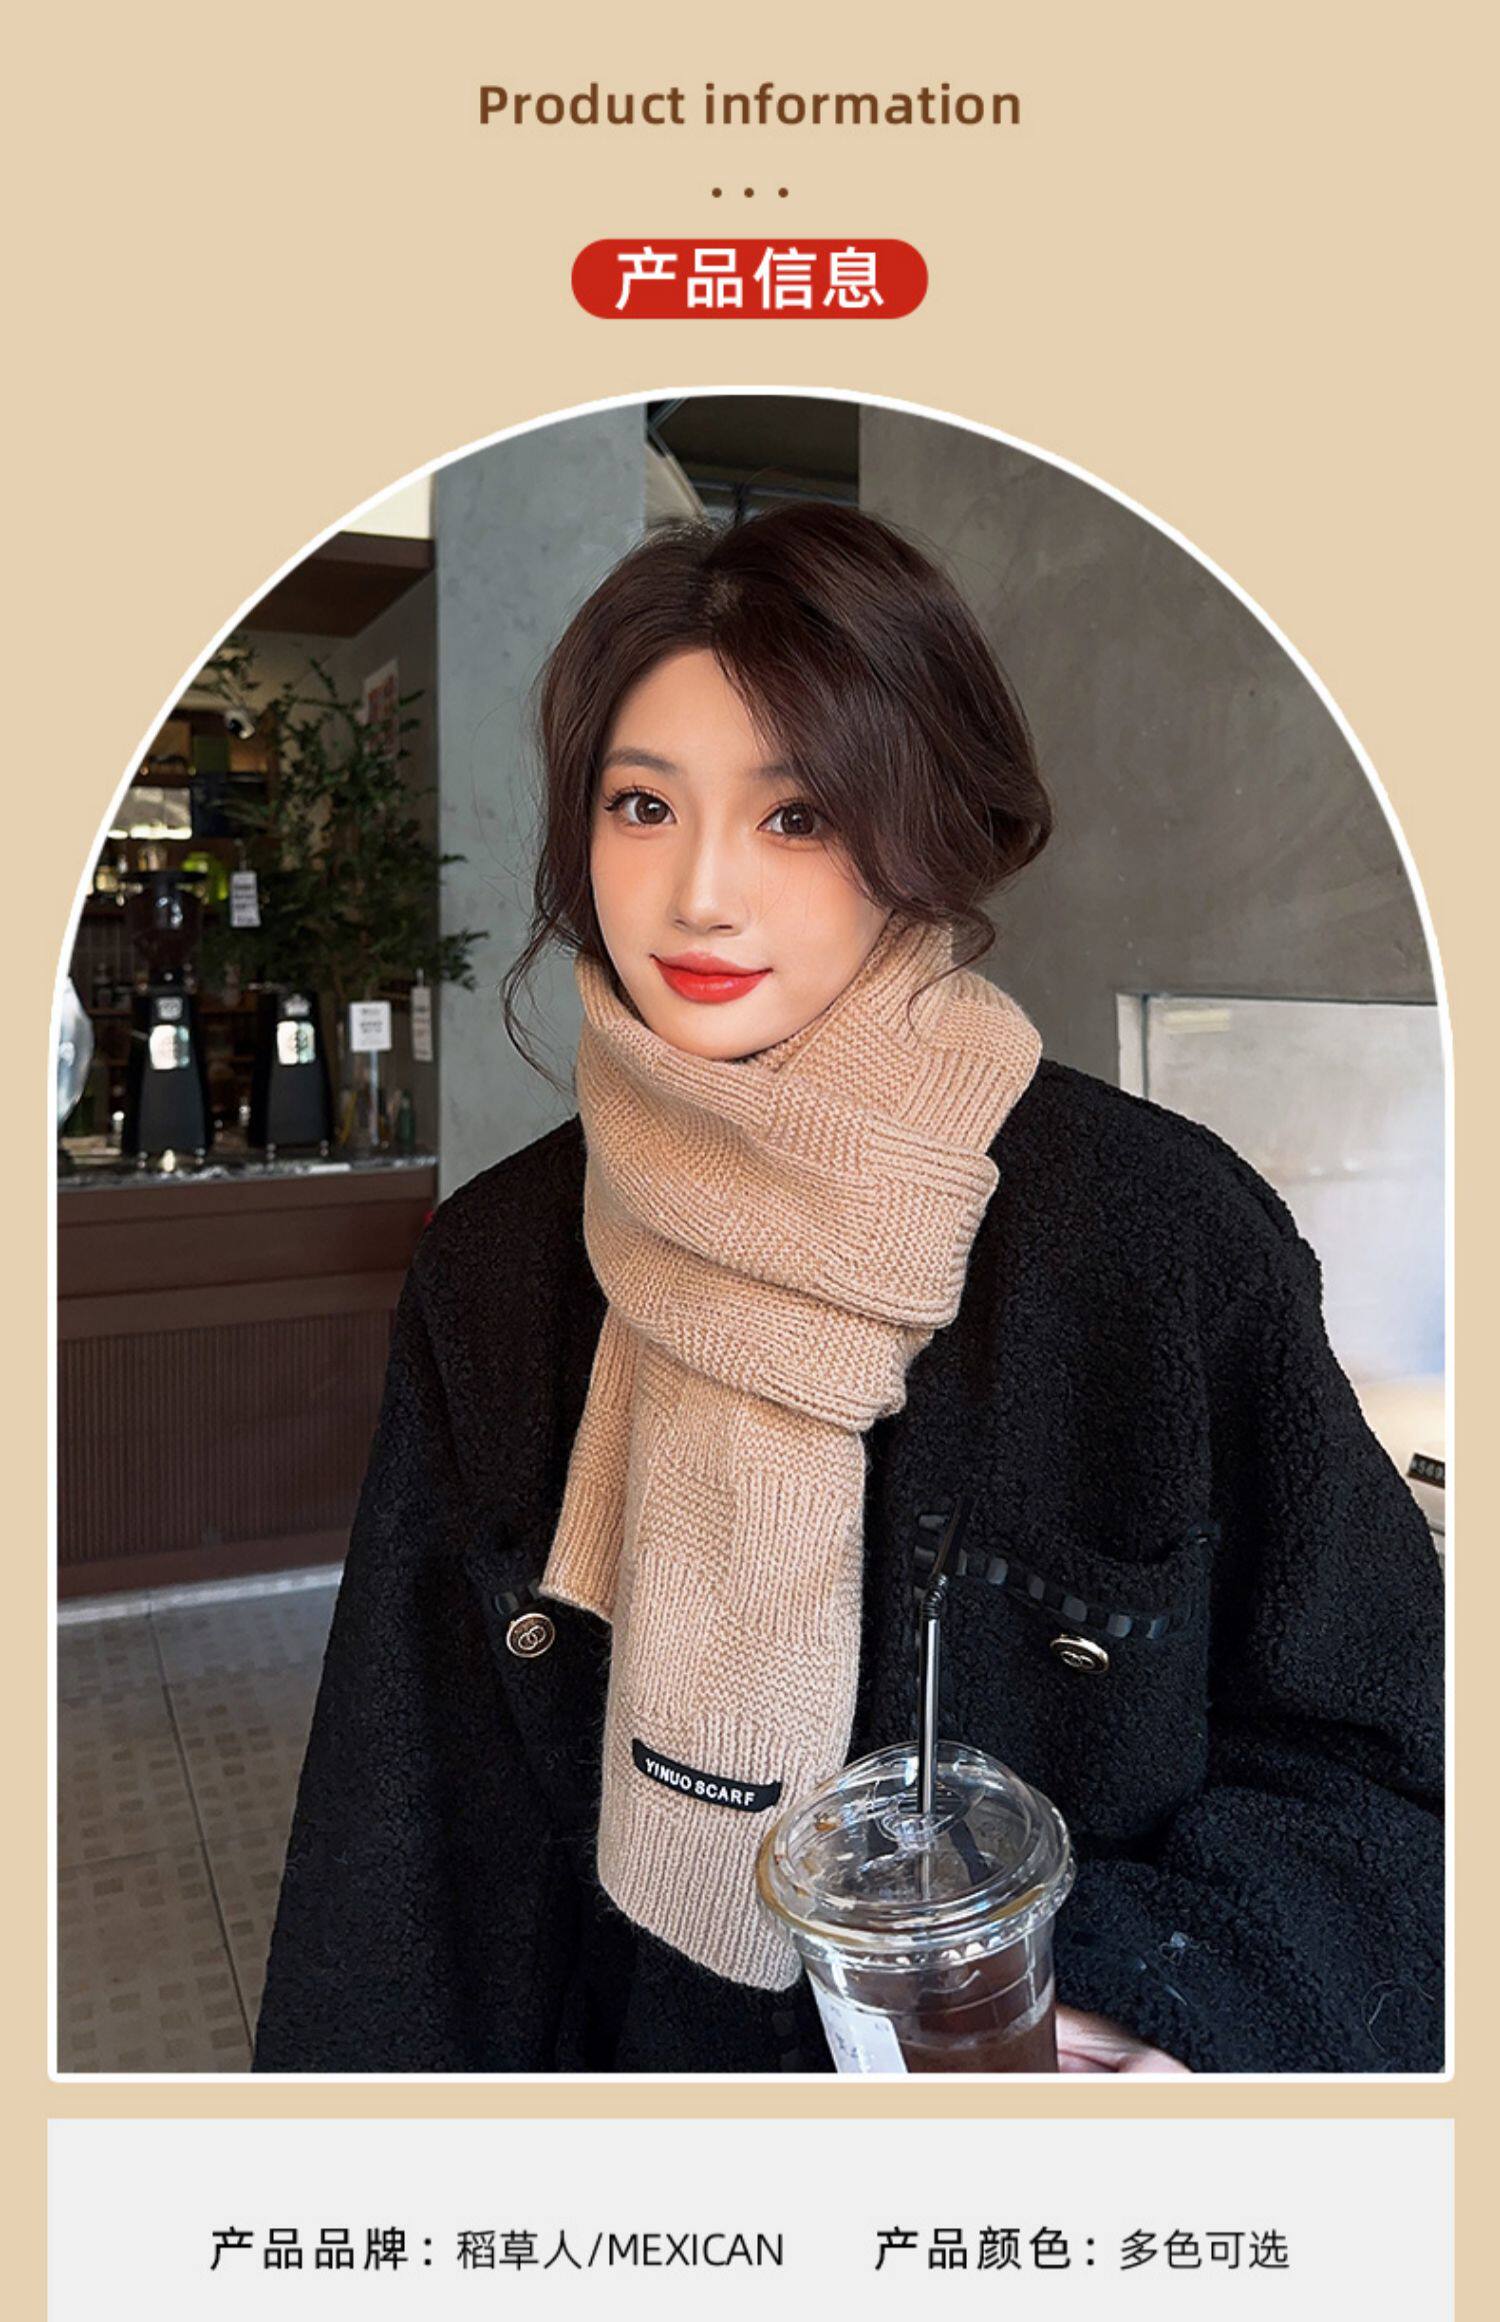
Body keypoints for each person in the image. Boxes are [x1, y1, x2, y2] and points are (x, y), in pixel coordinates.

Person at [252, 501, 1445, 2076]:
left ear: (922, 829)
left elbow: (1394, 1747)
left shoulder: (1160, 1244)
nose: (701, 893)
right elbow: (400, 1846)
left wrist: (1166, 2002)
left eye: (798, 814)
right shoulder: (499, 1267)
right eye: (641, 805)